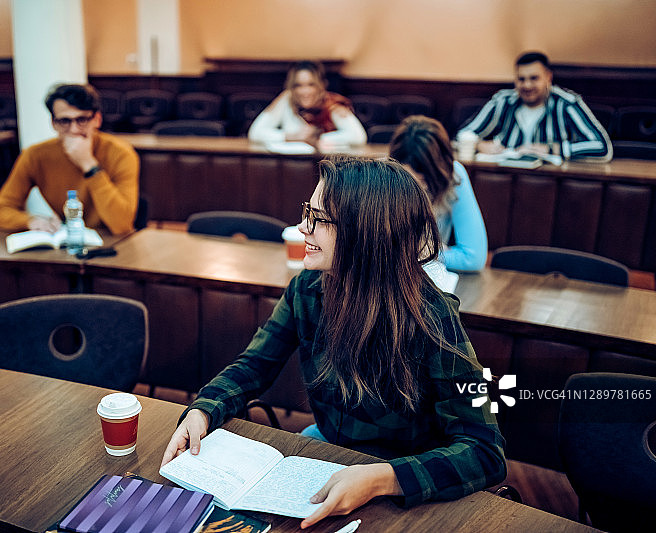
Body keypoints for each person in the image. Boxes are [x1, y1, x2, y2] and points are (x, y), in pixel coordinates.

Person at [161, 156, 506, 528]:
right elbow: (254, 365)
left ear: (365, 233)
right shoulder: (306, 288)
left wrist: (383, 478)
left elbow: (485, 450)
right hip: (329, 450)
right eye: (307, 212)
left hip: (403, 476)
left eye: (318, 219)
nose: (301, 228)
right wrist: (203, 409)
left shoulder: (432, 316)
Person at [0, 83, 139, 235]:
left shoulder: (121, 153)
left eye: (82, 120)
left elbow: (122, 225)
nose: (74, 130)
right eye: (65, 121)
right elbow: (0, 211)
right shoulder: (36, 155)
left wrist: (89, 164)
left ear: (97, 119)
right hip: (69, 242)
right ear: (53, 123)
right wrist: (31, 221)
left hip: (114, 244)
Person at [458, 51, 612, 162]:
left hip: (550, 183)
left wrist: (551, 149)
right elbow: (462, 135)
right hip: (506, 178)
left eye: (534, 78)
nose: (527, 85)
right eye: (521, 79)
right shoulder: (503, 100)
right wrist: (478, 145)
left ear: (548, 77)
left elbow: (602, 147)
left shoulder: (566, 103)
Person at [389, 115, 488, 272]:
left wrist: (427, 254)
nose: (418, 191)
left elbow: (473, 258)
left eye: (425, 182)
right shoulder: (382, 177)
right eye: (410, 181)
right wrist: (429, 253)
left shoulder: (453, 175)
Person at [248, 60, 367, 148]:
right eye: (298, 85)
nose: (305, 92)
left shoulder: (331, 104)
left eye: (311, 85)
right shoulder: (287, 99)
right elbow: (255, 133)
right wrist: (291, 137)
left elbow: (358, 137)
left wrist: (317, 138)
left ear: (321, 85)